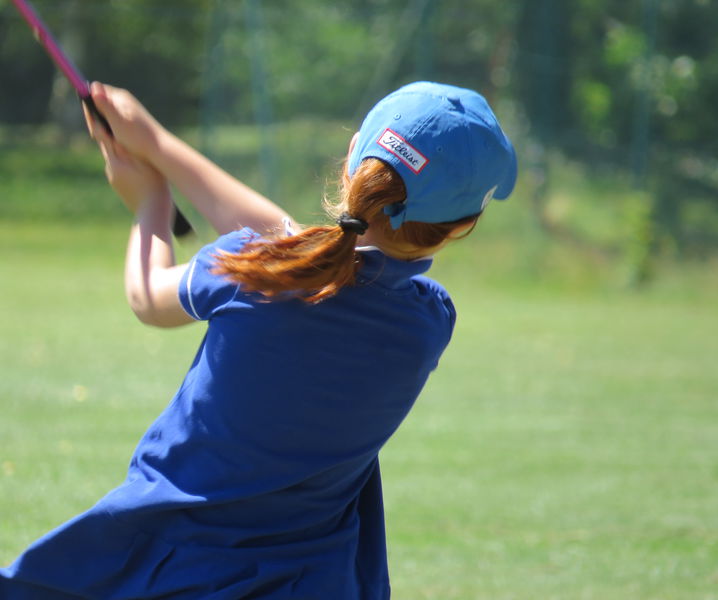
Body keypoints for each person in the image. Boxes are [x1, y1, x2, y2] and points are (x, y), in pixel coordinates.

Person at [0, 80, 516, 599]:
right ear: (461, 225)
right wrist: (154, 142)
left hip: (173, 565)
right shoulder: (428, 321)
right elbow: (297, 248)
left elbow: (147, 298)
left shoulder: (254, 274)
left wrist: (148, 202)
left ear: (352, 159)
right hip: (310, 583)